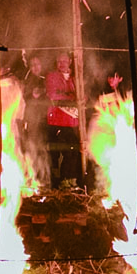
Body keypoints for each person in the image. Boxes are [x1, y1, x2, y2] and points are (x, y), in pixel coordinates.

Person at [45, 52, 82, 186]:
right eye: (59, 61)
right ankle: (60, 182)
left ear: (70, 61)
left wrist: (70, 95)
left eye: (64, 61)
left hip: (74, 121)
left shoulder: (75, 77)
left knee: (73, 150)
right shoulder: (52, 76)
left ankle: (70, 180)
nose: (61, 64)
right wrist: (72, 97)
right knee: (59, 152)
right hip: (57, 120)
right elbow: (53, 95)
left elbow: (84, 95)